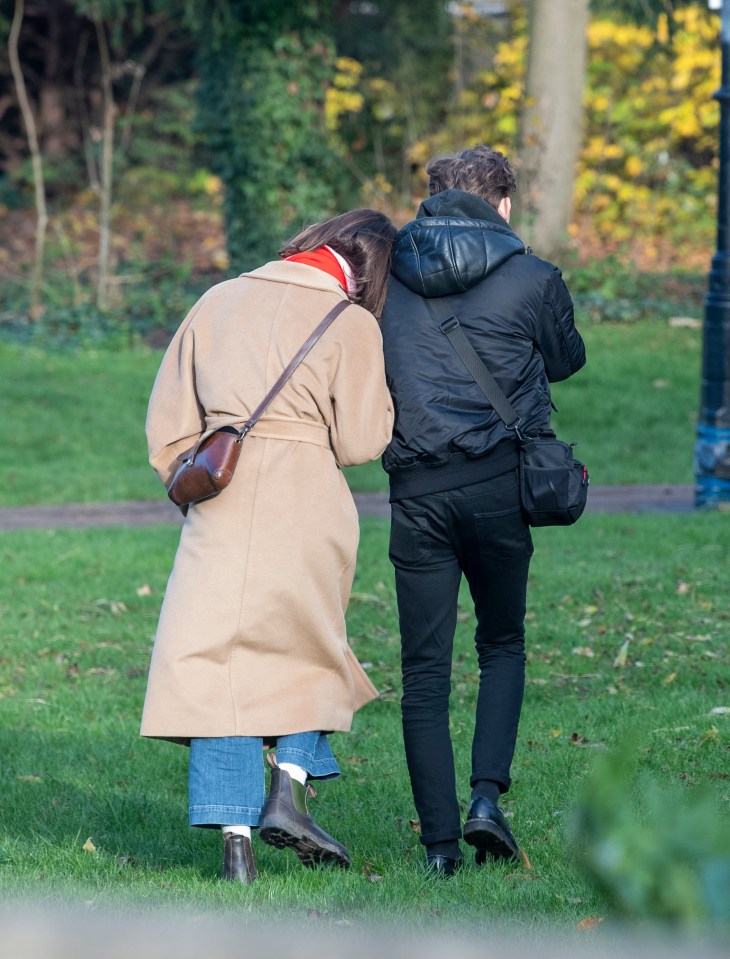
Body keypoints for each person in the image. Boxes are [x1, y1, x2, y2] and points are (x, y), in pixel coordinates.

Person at [142, 209, 396, 884]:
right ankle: (287, 786)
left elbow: (168, 423)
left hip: (223, 502)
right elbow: (364, 441)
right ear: (371, 272)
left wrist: (188, 466)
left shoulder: (217, 299)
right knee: (311, 648)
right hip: (310, 504)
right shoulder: (353, 323)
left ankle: (235, 850)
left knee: (217, 667)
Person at [380, 145, 586, 876]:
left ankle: (438, 848)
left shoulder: (385, 276)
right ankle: (486, 800)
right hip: (502, 482)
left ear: (432, 198)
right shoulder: (532, 275)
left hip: (417, 492)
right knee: (502, 642)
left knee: (424, 669)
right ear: (502, 204)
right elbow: (567, 360)